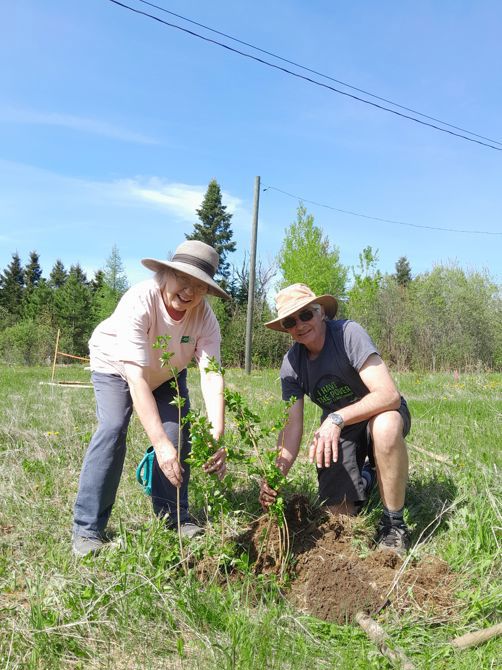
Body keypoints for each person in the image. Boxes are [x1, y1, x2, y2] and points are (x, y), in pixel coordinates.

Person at [72, 240, 228, 556]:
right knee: (114, 428)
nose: (189, 292)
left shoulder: (205, 318)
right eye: (184, 280)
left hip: (168, 372)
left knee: (177, 435)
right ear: (166, 273)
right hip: (117, 366)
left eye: (200, 287)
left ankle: (175, 517)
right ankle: (87, 529)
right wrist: (158, 444)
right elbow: (136, 378)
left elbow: (211, 374)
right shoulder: (140, 300)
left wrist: (216, 435)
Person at [260, 283, 412, 555]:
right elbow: (292, 428)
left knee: (385, 426)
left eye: (306, 315)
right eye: (290, 321)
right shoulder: (292, 365)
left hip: (378, 414)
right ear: (286, 328)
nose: (300, 324)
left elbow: (389, 395)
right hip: (341, 430)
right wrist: (275, 475)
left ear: (321, 313)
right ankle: (368, 478)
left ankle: (394, 524)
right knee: (340, 518)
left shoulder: (347, 334)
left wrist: (336, 418)